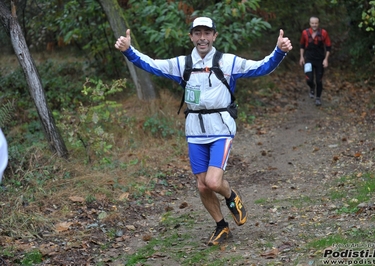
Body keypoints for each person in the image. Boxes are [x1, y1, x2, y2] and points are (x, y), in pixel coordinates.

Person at [115, 16, 292, 246]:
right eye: (197, 33)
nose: (202, 38)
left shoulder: (227, 62)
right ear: (191, 36)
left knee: (214, 181)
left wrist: (278, 51)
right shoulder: (182, 64)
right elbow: (152, 65)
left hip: (221, 128)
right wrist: (129, 51)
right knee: (202, 184)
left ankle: (231, 196)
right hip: (195, 131)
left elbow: (260, 67)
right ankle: (221, 226)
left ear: (214, 36)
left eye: (207, 33)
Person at [299, 16, 331, 106]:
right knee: (309, 78)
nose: (314, 25)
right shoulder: (305, 33)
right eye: (312, 23)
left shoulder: (323, 33)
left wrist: (326, 59)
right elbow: (301, 46)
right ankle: (312, 88)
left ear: (318, 23)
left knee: (319, 80)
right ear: (310, 23)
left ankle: (318, 98)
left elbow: (328, 47)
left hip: (320, 60)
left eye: (316, 23)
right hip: (308, 59)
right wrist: (301, 57)